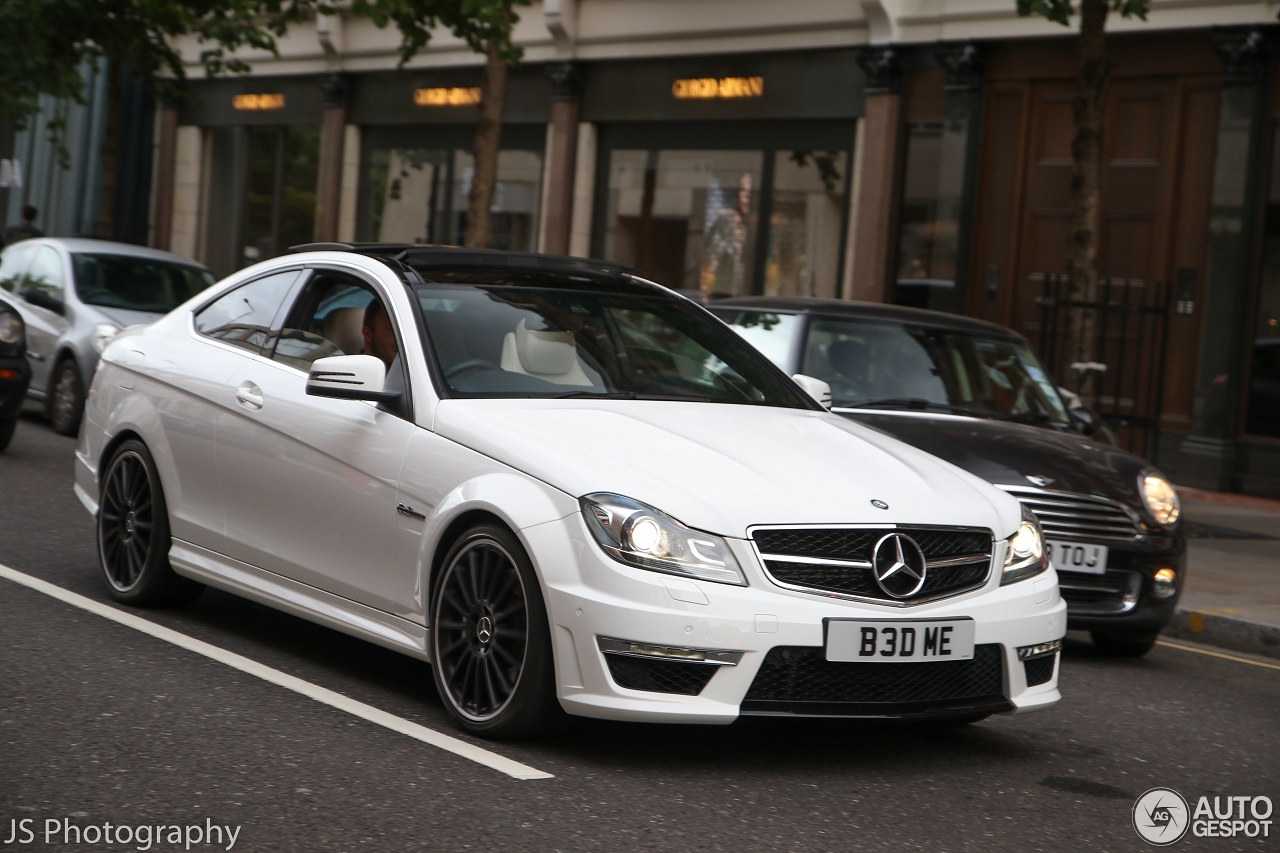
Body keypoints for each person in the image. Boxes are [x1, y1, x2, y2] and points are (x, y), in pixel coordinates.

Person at [362, 298, 404, 396]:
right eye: (392, 330)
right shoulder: (351, 377)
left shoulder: (420, 378)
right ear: (368, 334)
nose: (401, 339)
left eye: (404, 332)